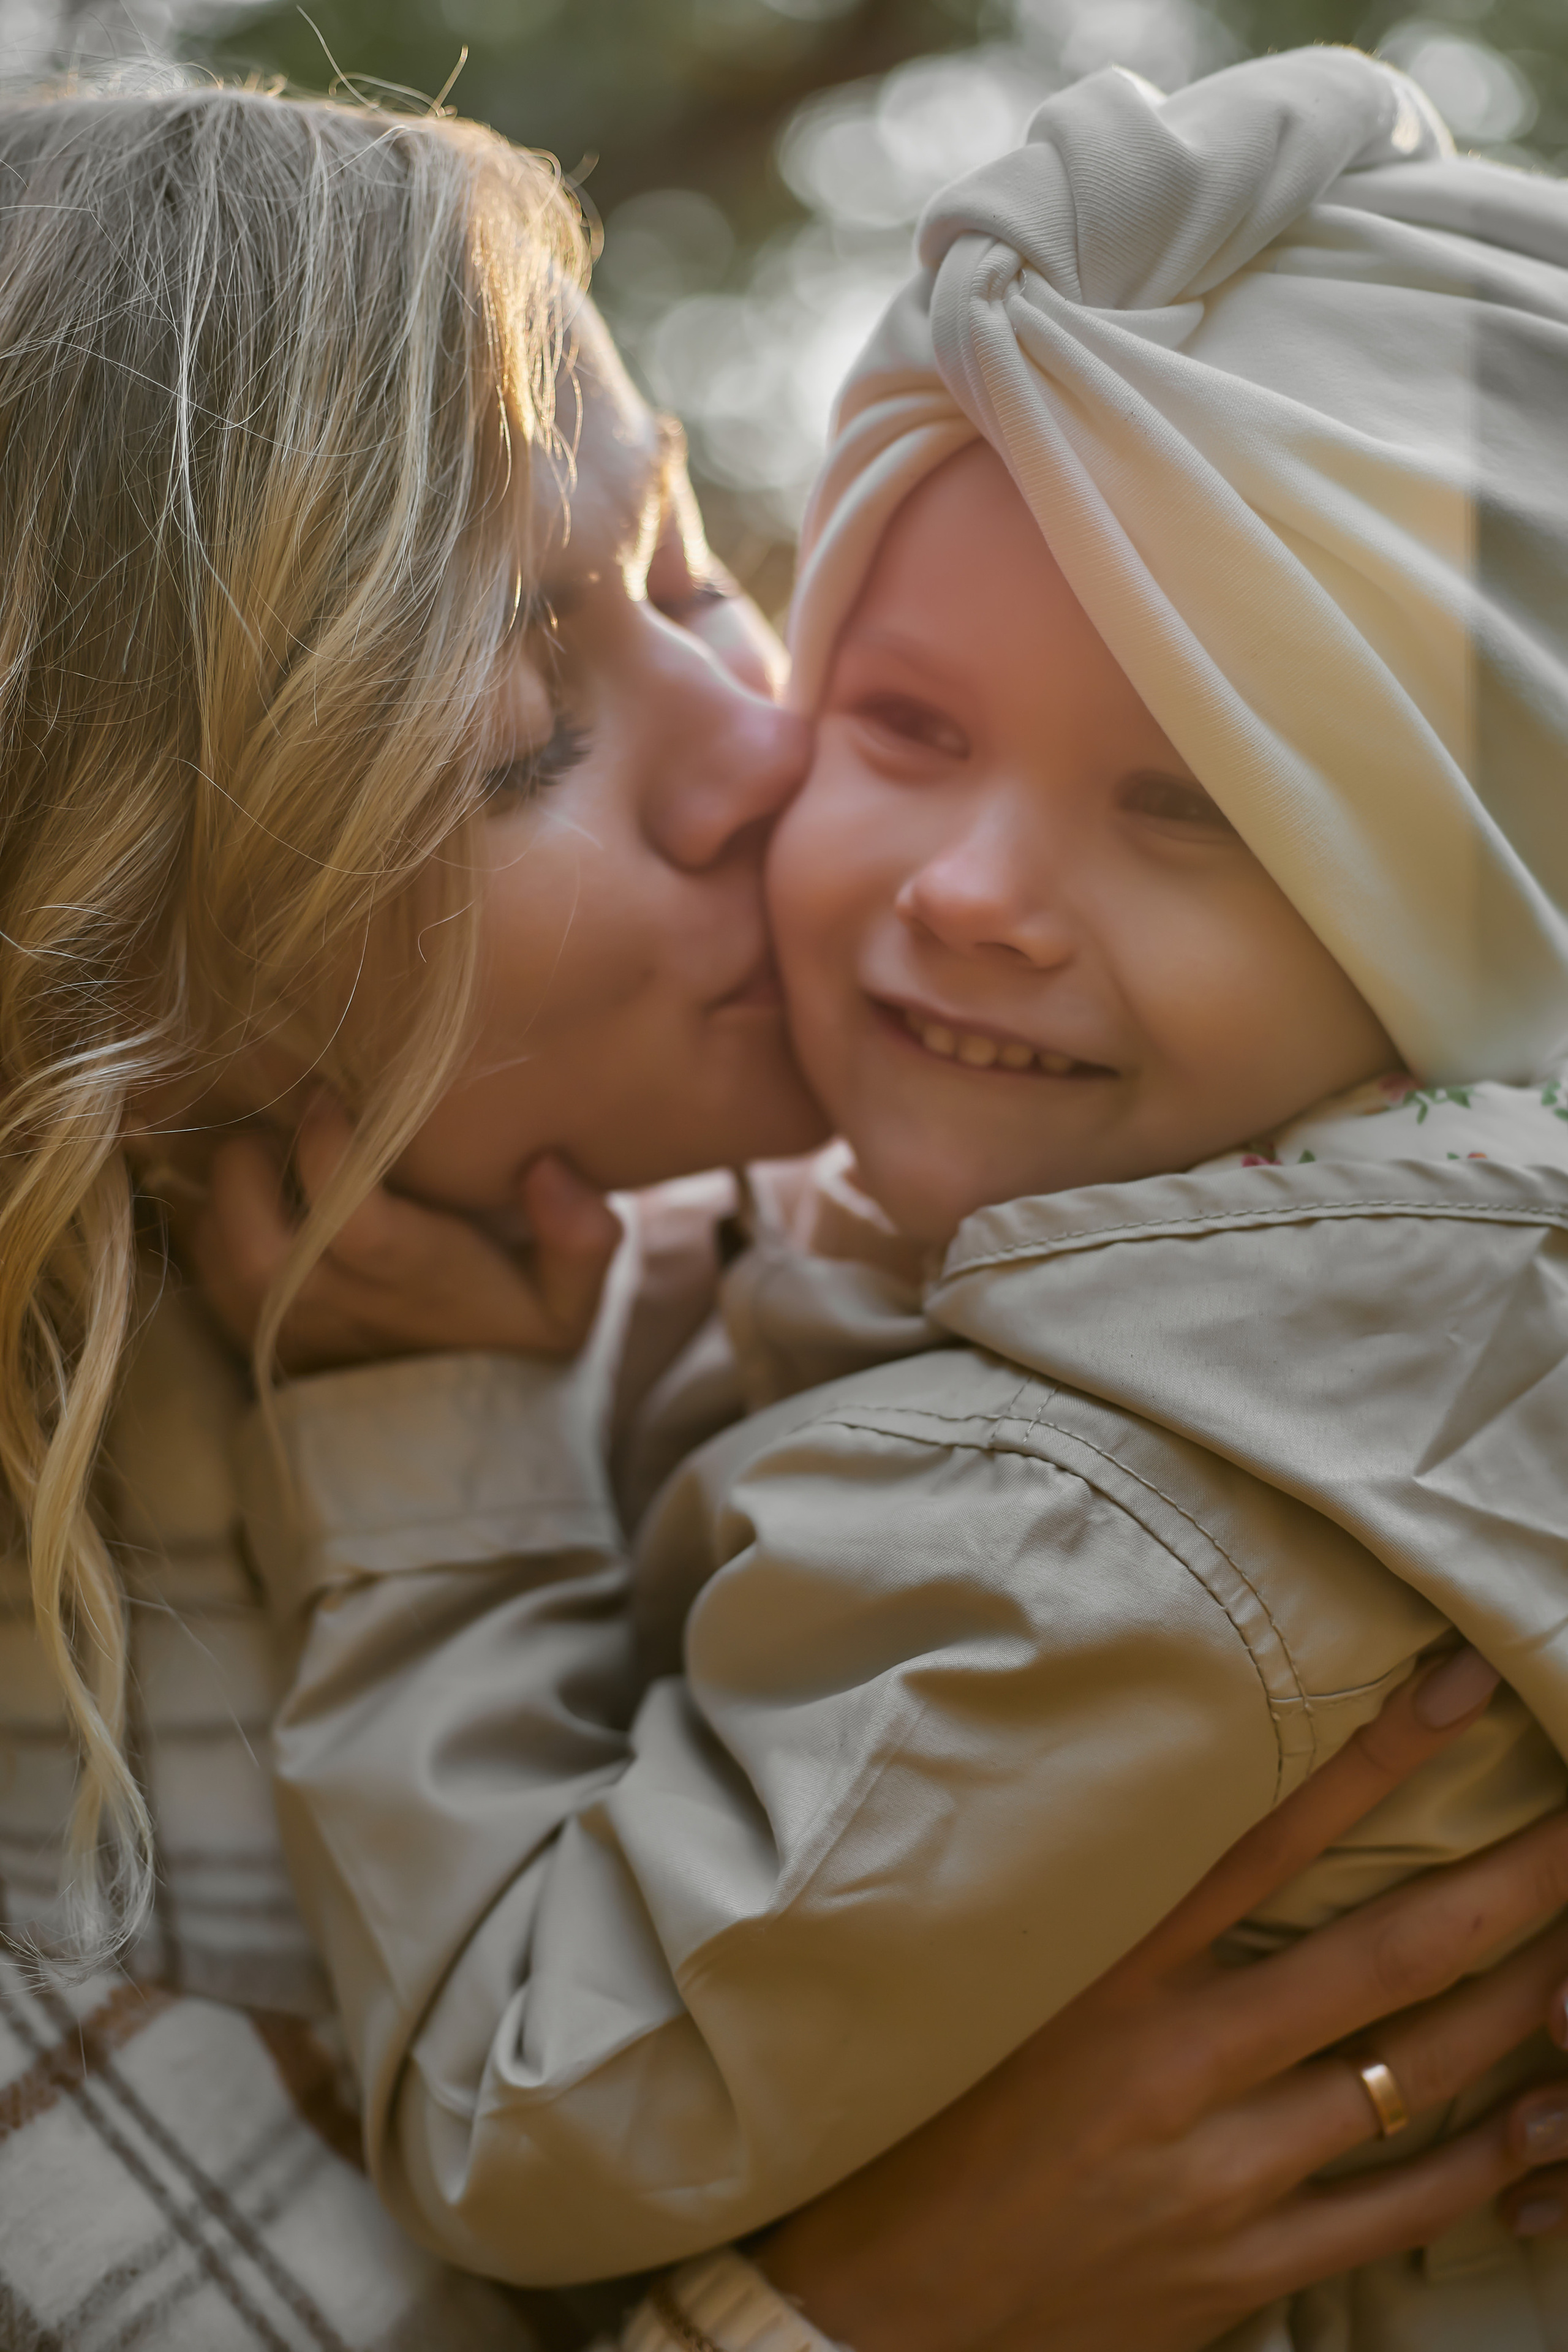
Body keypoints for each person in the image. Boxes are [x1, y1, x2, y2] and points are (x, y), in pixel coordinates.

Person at [0, 59, 1562, 2352]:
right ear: (105, 964)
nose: (773, 749)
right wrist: (870, 2313)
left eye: (693, 572)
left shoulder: (1020, 1270)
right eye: (523, 745)